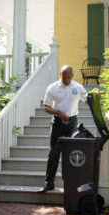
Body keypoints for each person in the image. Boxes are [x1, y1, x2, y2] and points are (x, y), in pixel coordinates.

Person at [38, 65, 88, 193]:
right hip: (58, 123)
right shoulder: (52, 87)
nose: (66, 80)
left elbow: (87, 100)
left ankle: (70, 185)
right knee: (54, 153)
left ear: (72, 76)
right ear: (60, 74)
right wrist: (59, 113)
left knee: (70, 154)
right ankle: (49, 183)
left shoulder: (77, 87)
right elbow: (46, 107)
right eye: (64, 77)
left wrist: (95, 97)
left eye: (69, 77)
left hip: (72, 122)